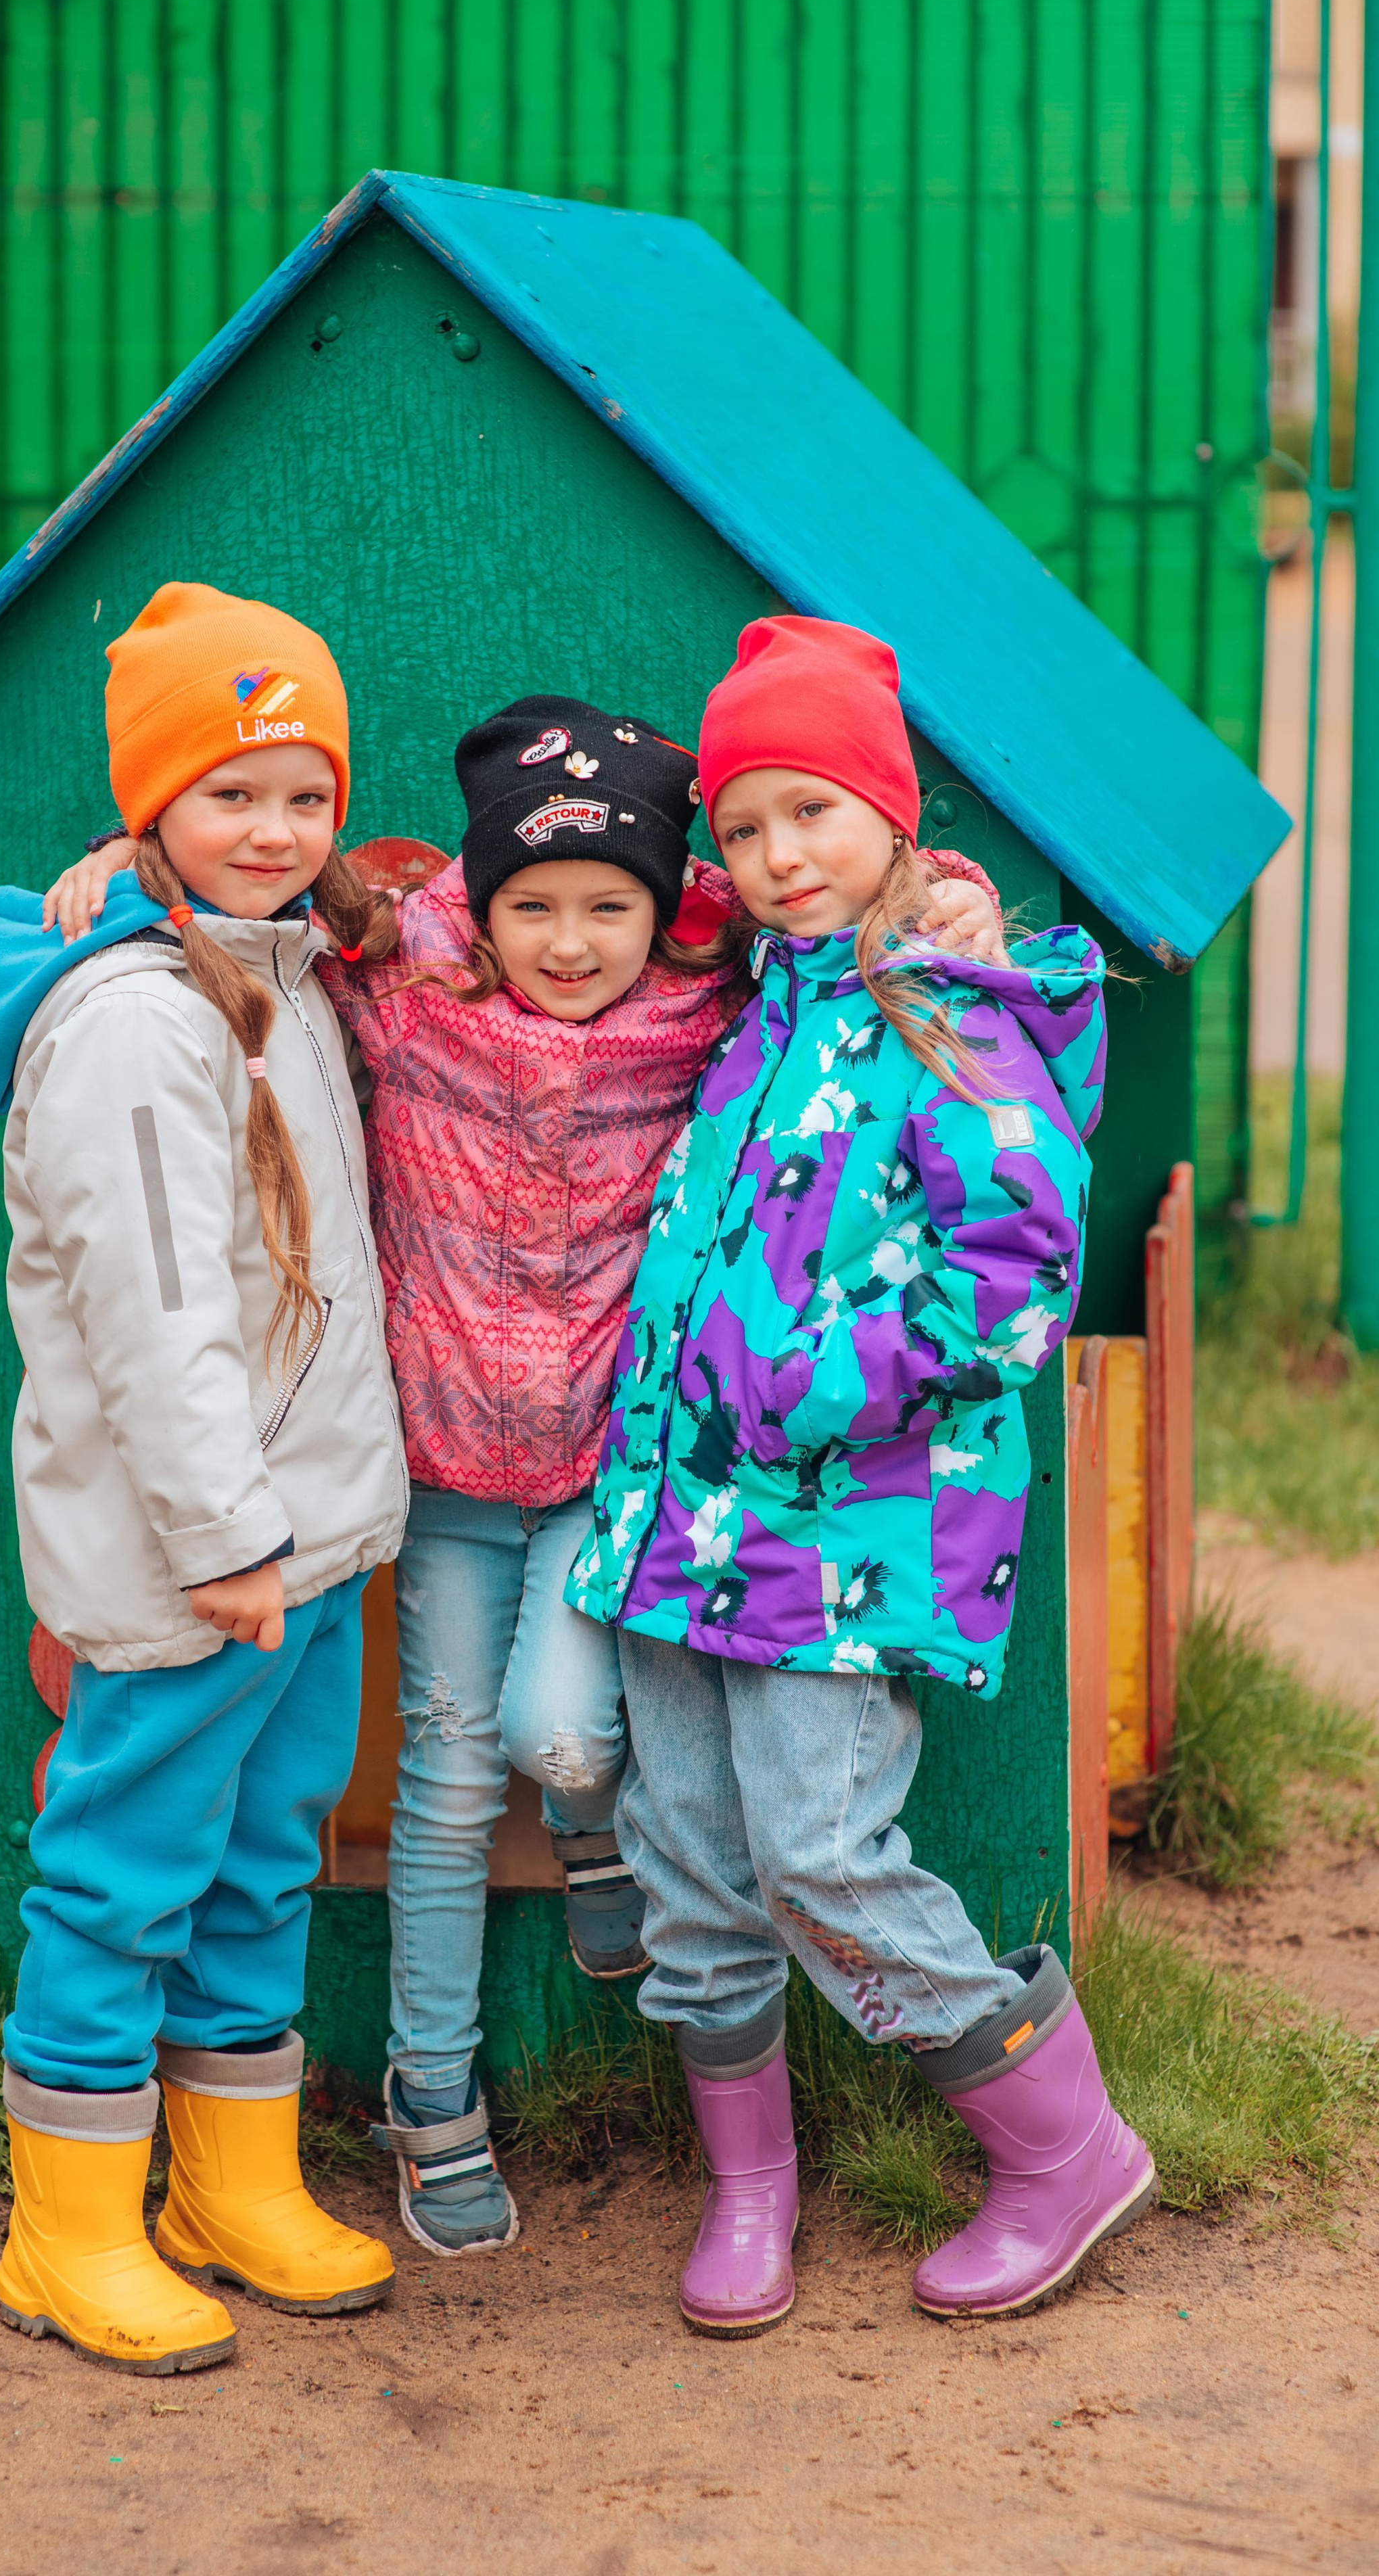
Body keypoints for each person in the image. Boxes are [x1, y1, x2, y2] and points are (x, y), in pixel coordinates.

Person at [53, 688, 1004, 2264]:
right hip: (437, 1476)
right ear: (481, 912)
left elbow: (828, 891)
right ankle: (432, 2102)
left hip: (596, 1478)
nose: (571, 943)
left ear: (659, 907)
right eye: (534, 907)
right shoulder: (411, 994)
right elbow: (275, 872)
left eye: (607, 907)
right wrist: (124, 856)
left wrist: (944, 892)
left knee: (561, 1737)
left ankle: (593, 1833)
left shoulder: (708, 1001)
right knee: (440, 1782)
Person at [565, 615, 1154, 2335]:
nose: (772, 860)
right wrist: (134, 856)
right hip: (681, 1524)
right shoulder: (766, 997)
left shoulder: (953, 1010)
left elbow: (1014, 1275)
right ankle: (749, 2186)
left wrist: (812, 1387)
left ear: (892, 816)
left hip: (842, 1529)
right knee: (683, 1849)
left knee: (818, 1850)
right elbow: (543, 886)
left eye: (810, 814)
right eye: (741, 830)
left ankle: (1062, 2146)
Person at [0, 584, 408, 2372]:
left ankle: (230, 2186)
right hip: (196, 1571)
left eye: (305, 792)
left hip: (298, 1552)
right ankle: (66, 2228)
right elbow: (154, 1316)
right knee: (128, 1873)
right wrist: (228, 1539)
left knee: (260, 1861)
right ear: (150, 810)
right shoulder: (143, 1025)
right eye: (231, 795)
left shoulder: (284, 967)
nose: (277, 830)